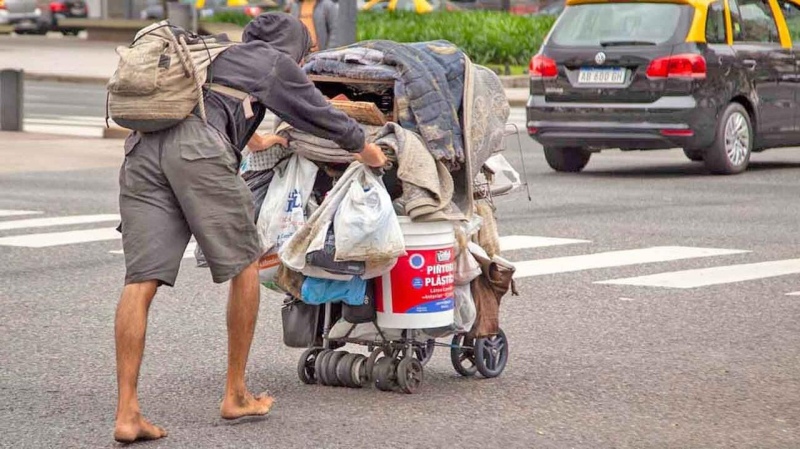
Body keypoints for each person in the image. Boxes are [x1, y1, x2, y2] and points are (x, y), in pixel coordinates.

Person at [113, 12, 386, 443]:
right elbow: (322, 116)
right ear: (293, 47)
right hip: (198, 153)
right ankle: (235, 394)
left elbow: (217, 105)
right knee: (246, 266)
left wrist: (258, 140)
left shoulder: (220, 53)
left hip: (143, 151)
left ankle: (127, 413)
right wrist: (367, 150)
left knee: (140, 281)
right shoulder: (276, 62)